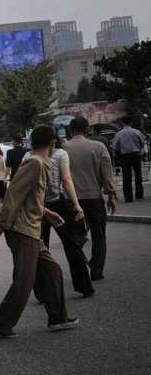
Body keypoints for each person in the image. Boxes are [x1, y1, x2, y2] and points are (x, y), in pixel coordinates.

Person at [0, 125, 79, 338]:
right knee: (24, 280)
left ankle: (58, 318)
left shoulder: (40, 163)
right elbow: (14, 194)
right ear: (53, 143)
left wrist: (46, 212)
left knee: (53, 270)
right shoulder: (35, 163)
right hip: (22, 229)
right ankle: (0, 322)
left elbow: (31, 196)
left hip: (31, 227)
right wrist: (3, 223)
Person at [22, 132, 93, 298]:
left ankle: (42, 293)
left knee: (39, 249)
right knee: (72, 245)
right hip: (58, 204)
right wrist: (76, 205)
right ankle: (84, 287)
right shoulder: (61, 154)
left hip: (37, 206)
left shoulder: (27, 156)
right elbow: (67, 180)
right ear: (53, 141)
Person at [64, 117, 116, 281]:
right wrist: (111, 195)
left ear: (70, 130)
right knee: (99, 234)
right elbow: (107, 174)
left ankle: (79, 270)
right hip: (94, 197)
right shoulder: (98, 147)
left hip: (70, 200)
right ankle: (96, 270)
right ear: (87, 130)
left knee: (75, 236)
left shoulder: (62, 148)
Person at [112, 116, 146, 203]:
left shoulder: (119, 134)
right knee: (138, 175)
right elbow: (142, 143)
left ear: (122, 123)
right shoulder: (137, 132)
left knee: (126, 177)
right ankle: (139, 195)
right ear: (131, 122)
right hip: (136, 154)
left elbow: (115, 147)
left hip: (125, 156)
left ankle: (128, 198)